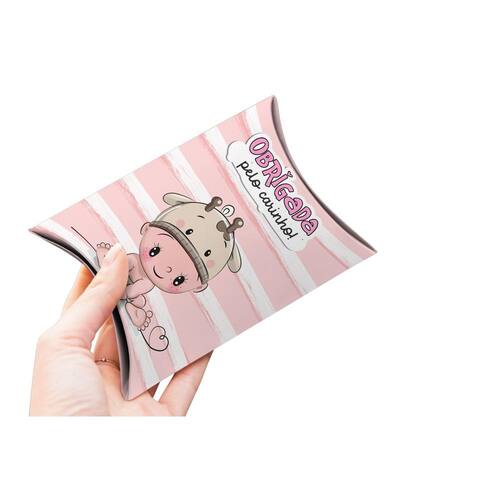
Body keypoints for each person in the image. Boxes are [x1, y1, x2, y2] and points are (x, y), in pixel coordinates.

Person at [29, 243, 211, 416]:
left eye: (178, 280)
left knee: (139, 305)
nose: (165, 270)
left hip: (133, 304)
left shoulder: (147, 284)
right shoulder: (132, 260)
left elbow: (132, 292)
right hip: (125, 297)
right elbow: (128, 285)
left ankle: (139, 315)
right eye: (155, 251)